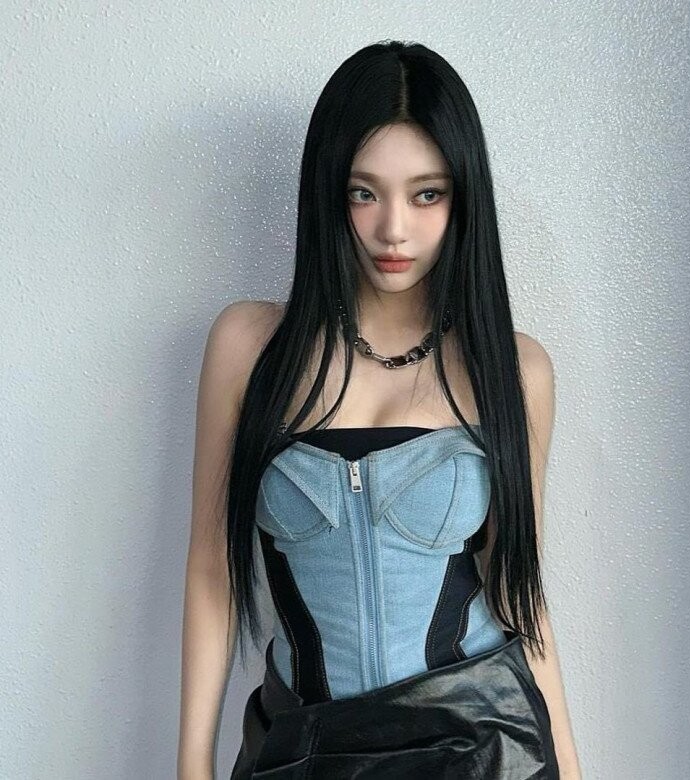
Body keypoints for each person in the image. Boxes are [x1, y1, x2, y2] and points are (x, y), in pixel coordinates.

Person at [177, 40, 581, 779]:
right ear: (329, 194)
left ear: (463, 199)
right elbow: (212, 571)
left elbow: (519, 591)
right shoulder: (247, 348)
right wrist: (192, 765)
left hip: (478, 747)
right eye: (365, 192)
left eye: (427, 194)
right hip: (302, 746)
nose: (394, 228)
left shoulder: (512, 370)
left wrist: (572, 769)